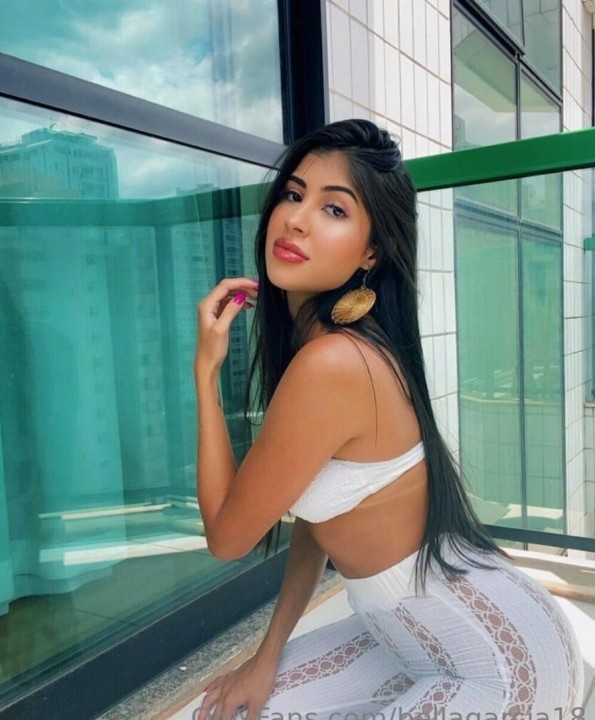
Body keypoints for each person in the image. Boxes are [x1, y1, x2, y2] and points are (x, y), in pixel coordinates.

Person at [193, 119, 584, 720]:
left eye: (334, 209)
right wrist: (266, 656)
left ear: (371, 252)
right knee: (233, 710)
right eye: (294, 194)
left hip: (502, 666)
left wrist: (205, 375)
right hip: (401, 639)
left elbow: (226, 537)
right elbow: (316, 519)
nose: (297, 220)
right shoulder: (332, 349)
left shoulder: (333, 362)